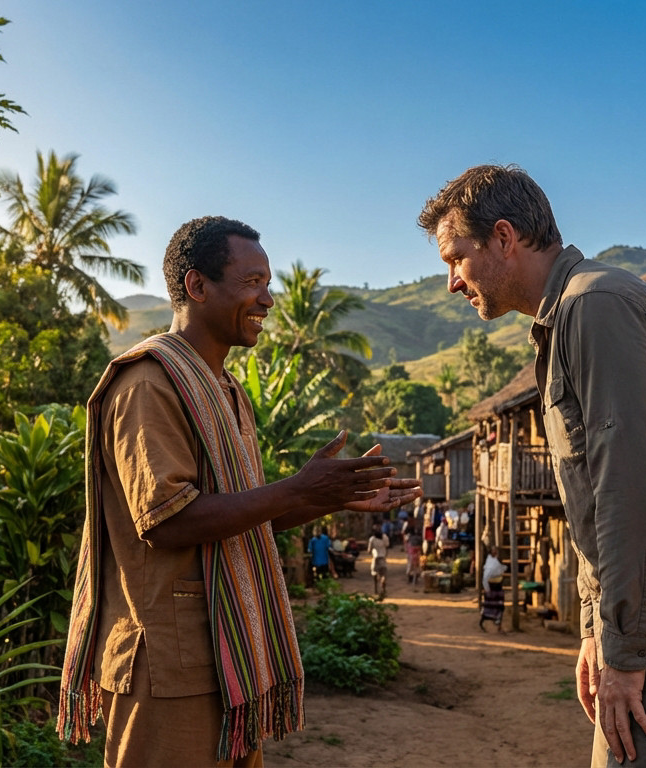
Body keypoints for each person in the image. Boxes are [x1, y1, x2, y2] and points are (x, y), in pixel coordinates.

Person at [419, 166, 646, 767]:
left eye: (455, 257)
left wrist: (621, 648)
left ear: (504, 238)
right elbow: (602, 500)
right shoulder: (574, 311)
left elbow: (630, 491)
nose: (451, 282)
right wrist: (597, 629)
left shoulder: (596, 307)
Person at [58, 216, 422, 767]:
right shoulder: (149, 385)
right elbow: (168, 520)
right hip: (167, 663)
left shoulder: (226, 391)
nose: (268, 300)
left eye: (268, 284)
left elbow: (240, 517)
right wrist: (298, 486)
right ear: (196, 286)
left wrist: (323, 498)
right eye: (252, 283)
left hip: (225, 657)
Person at [480, 552, 507, 633]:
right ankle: (498, 622)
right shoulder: (496, 565)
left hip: (490, 588)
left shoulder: (489, 564)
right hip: (496, 587)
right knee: (500, 606)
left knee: (491, 603)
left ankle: (495, 620)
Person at [367, 524, 390, 596]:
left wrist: (371, 552)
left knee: (374, 574)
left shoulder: (372, 539)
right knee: (383, 575)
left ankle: (376, 589)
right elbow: (387, 546)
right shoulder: (385, 537)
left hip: (375, 558)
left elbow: (369, 550)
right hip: (382, 558)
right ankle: (383, 589)